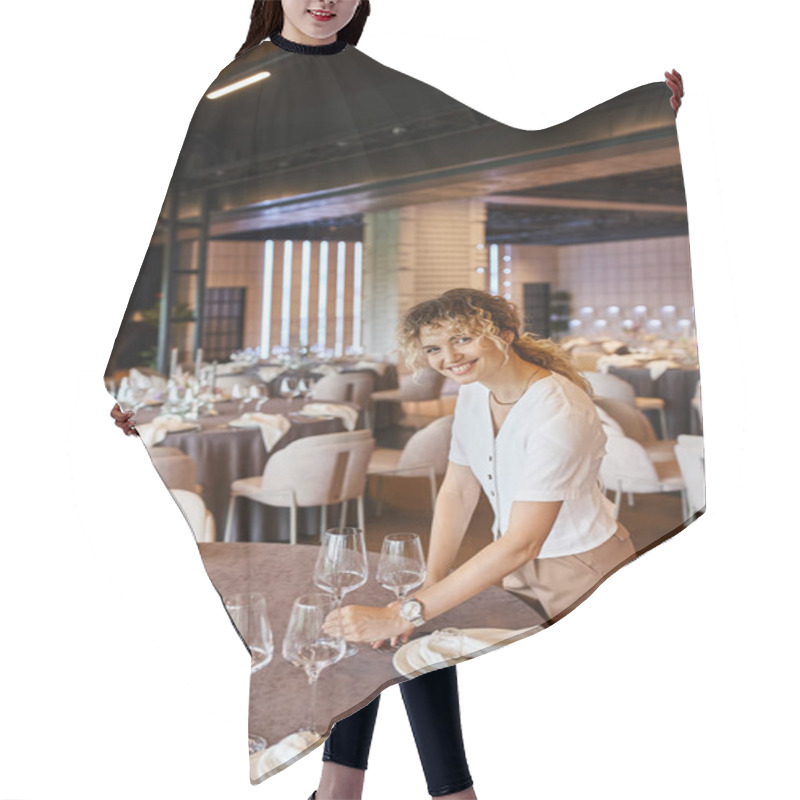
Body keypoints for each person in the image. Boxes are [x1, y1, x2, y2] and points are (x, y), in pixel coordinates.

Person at [106, 3, 686, 798]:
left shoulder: (556, 407)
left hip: (567, 571)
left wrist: (645, 117)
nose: (450, 362)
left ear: (504, 329)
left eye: (464, 342)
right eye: (436, 351)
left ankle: (396, 790)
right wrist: (409, 598)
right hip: (519, 565)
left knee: (403, 639)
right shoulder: (479, 397)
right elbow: (454, 490)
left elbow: (517, 546)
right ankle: (374, 788)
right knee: (379, 625)